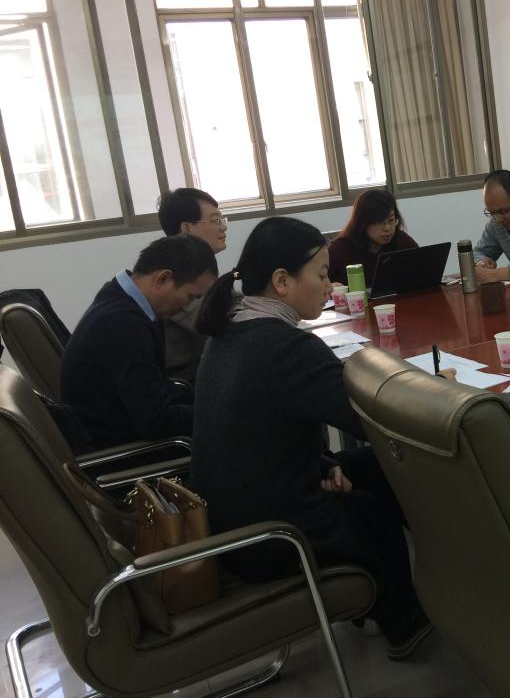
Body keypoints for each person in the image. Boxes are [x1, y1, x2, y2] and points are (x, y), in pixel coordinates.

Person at [191, 216, 432, 661]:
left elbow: (257, 431)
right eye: (321, 275)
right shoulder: (283, 347)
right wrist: (436, 397)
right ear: (282, 281)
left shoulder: (232, 328)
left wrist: (322, 463)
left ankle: (393, 597)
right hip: (270, 535)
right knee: (375, 510)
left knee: (371, 467)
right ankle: (404, 621)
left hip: (234, 515)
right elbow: (371, 419)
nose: (329, 286)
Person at [60, 234, 218, 453]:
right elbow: (156, 421)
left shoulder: (122, 299)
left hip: (124, 431)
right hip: (122, 452)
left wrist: (212, 401)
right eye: (191, 297)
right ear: (163, 279)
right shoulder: (121, 325)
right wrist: (219, 412)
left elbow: (156, 390)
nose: (187, 307)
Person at [157, 187, 229, 383]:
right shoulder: (176, 273)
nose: (223, 227)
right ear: (187, 228)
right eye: (215, 221)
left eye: (222, 220)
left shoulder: (197, 265)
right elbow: (219, 322)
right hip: (184, 379)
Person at [328, 189, 418, 286]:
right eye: (379, 222)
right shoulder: (339, 250)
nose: (387, 228)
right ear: (363, 223)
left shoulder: (402, 241)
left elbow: (423, 269)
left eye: (391, 220)